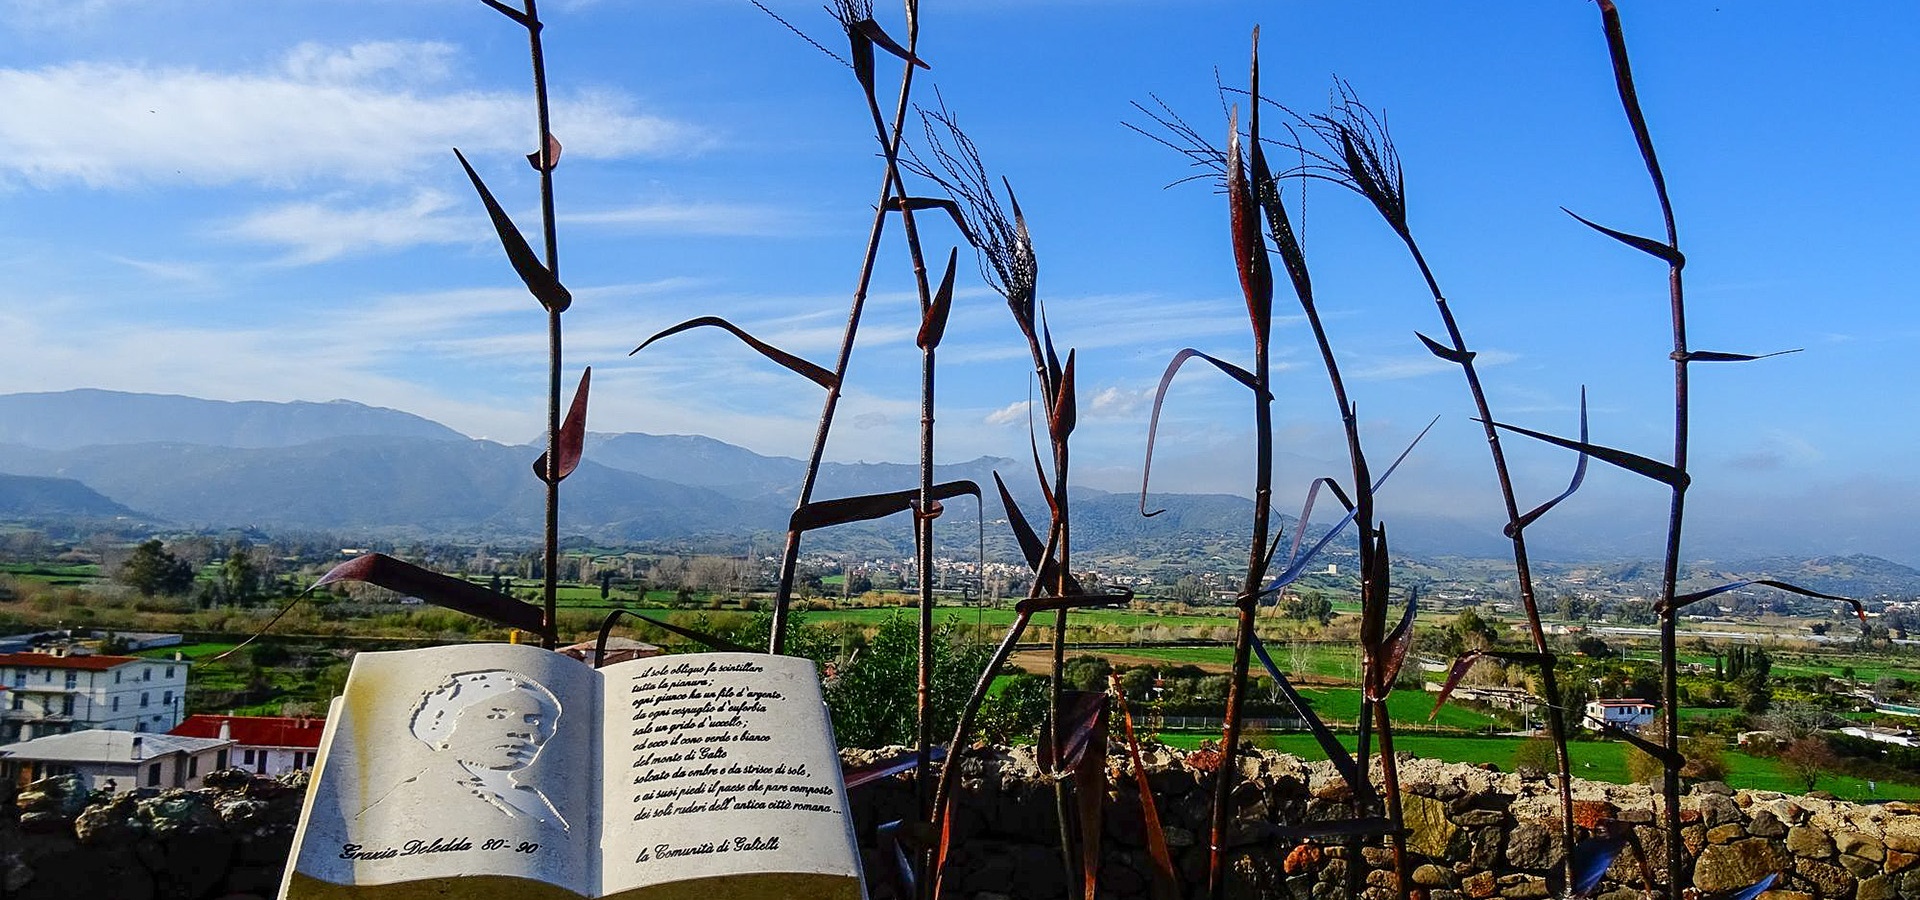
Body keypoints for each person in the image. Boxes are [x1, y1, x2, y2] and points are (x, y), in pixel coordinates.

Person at [359, 669, 569, 832]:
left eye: (534, 721)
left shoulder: (531, 798)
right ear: (442, 721)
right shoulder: (417, 798)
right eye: (498, 715)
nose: (526, 732)